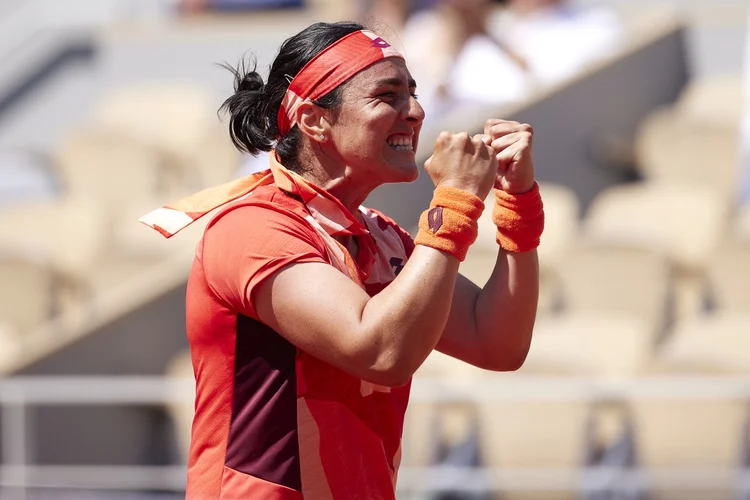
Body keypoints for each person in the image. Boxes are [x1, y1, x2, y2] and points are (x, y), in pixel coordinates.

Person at [140, 21, 543, 499]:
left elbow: (496, 343)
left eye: (412, 93)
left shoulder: (380, 235)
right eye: (387, 96)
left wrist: (517, 202)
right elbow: (379, 352)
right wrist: (454, 202)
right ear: (314, 121)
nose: (415, 112)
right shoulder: (254, 227)